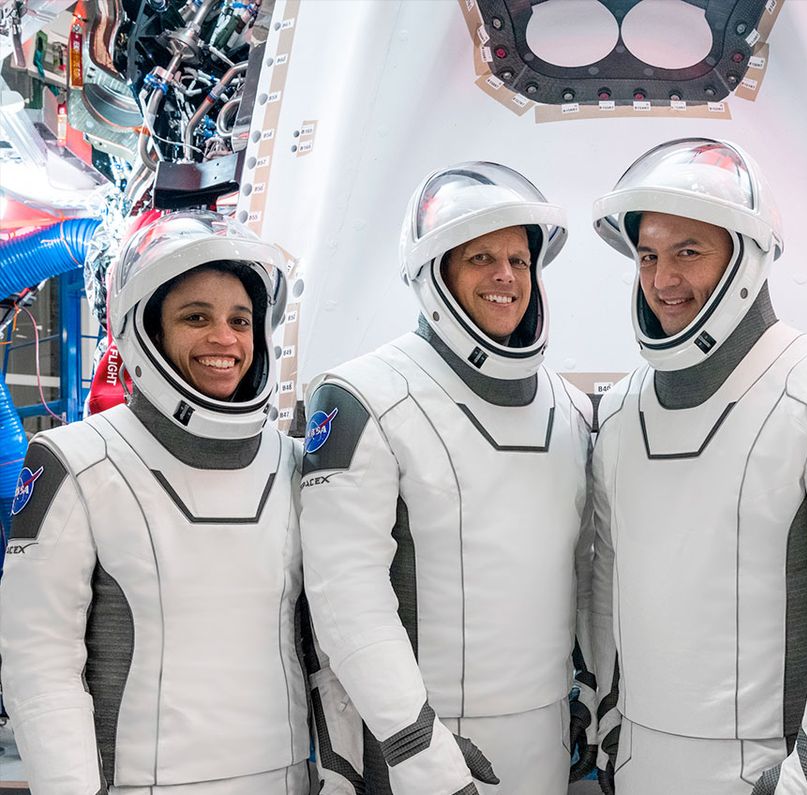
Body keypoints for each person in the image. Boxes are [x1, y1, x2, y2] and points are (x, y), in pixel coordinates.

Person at [588, 137, 807, 794]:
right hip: (639, 761)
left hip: (775, 771)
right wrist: (607, 716)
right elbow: (605, 575)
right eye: (648, 256)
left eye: (688, 252)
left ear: (745, 256)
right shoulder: (621, 408)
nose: (662, 280)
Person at [299, 161, 596, 795]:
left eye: (519, 259)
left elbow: (585, 572)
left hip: (544, 736)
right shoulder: (364, 395)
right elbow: (345, 593)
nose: (505, 276)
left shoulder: (567, 408)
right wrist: (418, 752)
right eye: (480, 257)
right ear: (436, 276)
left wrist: (589, 699)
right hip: (419, 749)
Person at [0, 211, 309, 793]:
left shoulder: (291, 463)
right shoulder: (77, 461)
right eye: (197, 317)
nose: (225, 339)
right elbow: (38, 667)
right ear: (146, 330)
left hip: (288, 777)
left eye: (240, 320)